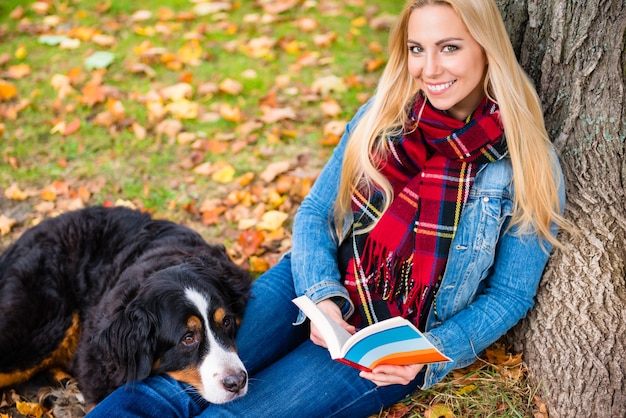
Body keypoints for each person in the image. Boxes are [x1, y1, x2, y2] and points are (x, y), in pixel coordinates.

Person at [87, 0, 571, 416]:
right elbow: (315, 212)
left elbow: (510, 294)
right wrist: (323, 296)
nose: (430, 69)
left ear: (487, 47)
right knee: (170, 393)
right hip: (310, 283)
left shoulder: (526, 160)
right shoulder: (384, 115)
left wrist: (431, 355)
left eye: (450, 47)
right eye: (417, 49)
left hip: (390, 341)